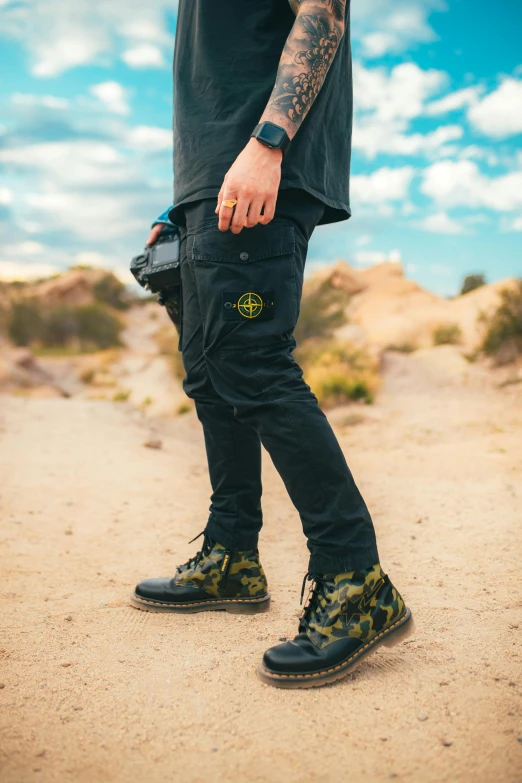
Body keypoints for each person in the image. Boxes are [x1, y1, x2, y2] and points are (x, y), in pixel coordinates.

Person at [131, 0, 413, 688]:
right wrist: (182, 206)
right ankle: (232, 555)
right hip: (212, 181)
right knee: (209, 367)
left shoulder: (266, 148)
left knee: (251, 360)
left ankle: (356, 578)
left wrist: (268, 143)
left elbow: (322, 11)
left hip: (259, 165)